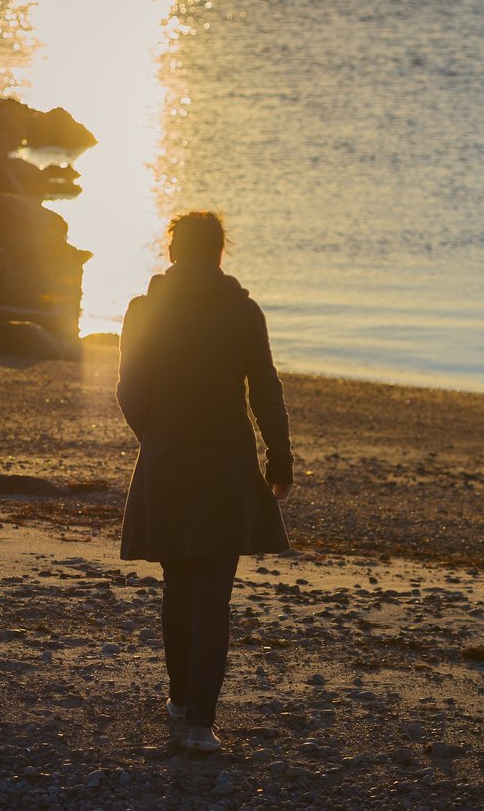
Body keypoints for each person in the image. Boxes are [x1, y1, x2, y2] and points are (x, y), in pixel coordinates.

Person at [117, 210, 293, 753]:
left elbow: (129, 389)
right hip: (225, 465)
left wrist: (157, 433)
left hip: (167, 460)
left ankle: (178, 700)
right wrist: (280, 460)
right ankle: (199, 724)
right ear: (219, 254)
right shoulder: (243, 312)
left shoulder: (143, 310)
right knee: (214, 592)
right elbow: (265, 391)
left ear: (173, 253)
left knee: (178, 582)